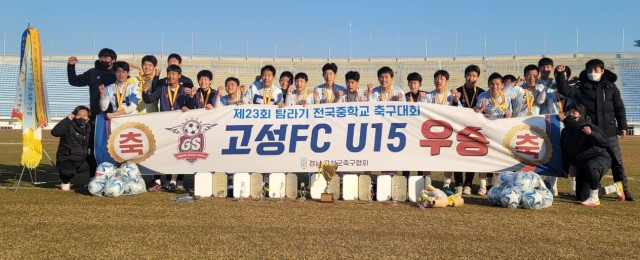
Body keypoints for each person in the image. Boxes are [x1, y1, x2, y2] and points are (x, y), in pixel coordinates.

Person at [555, 59, 634, 201]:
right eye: (590, 71)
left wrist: (622, 126)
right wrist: (561, 75)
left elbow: (619, 107)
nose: (593, 73)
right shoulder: (581, 88)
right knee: (587, 161)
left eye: (596, 70)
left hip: (609, 132)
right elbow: (564, 90)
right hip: (588, 133)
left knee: (617, 162)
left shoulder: (611, 88)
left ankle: (624, 189)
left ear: (602, 71)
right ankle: (590, 189)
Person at [560, 103, 625, 206]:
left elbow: (604, 142)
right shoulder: (565, 132)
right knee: (582, 196)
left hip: (600, 159)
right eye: (568, 113)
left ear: (580, 115)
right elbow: (565, 151)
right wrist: (564, 169)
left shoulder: (589, 126)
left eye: (574, 113)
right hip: (582, 165)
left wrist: (591, 134)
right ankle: (615, 187)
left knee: (590, 165)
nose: (570, 115)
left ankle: (594, 198)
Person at [67, 48, 117, 178]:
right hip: (96, 118)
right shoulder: (92, 73)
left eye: (107, 57)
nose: (103, 59)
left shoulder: (118, 74)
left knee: (114, 147)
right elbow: (74, 81)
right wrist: (71, 67)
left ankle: (115, 175)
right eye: (101, 57)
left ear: (113, 60)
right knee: (94, 148)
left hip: (116, 118)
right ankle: (93, 177)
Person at [142, 64, 192, 192]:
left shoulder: (185, 90)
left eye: (174, 74)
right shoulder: (162, 88)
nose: (171, 76)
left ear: (179, 76)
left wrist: (189, 100)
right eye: (169, 73)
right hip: (163, 125)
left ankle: (173, 181)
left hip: (179, 126)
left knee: (177, 152)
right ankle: (157, 181)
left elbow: (191, 106)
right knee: (158, 151)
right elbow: (149, 100)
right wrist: (145, 91)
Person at [474, 73, 513, 195]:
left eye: (497, 84)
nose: (494, 86)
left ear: (502, 85)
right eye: (492, 84)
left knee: (498, 159)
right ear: (488, 85)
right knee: (483, 158)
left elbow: (510, 115)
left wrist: (508, 115)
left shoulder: (506, 97)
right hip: (486, 132)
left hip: (500, 133)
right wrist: (480, 110)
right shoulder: (483, 96)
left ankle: (497, 186)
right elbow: (477, 114)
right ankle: (483, 186)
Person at [420, 70, 459, 190]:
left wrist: (457, 101)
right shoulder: (428, 96)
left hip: (447, 131)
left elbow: (462, 112)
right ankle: (427, 182)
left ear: (447, 81)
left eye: (441, 79)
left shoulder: (452, 96)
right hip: (430, 131)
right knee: (427, 156)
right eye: (436, 78)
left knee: (447, 158)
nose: (439, 81)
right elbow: (421, 109)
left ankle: (446, 183)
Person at [454, 65, 486, 195]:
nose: (470, 78)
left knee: (471, 155)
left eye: (473, 76)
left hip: (474, 129)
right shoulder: (457, 91)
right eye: (468, 75)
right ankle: (458, 183)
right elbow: (450, 110)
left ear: (477, 77)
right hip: (459, 128)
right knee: (457, 155)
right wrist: (456, 100)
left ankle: (468, 183)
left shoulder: (482, 92)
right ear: (465, 76)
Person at [51, 106, 92, 191]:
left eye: (84, 115)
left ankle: (93, 181)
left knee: (97, 160)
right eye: (79, 115)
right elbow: (55, 132)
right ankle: (65, 181)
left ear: (88, 118)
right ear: (74, 116)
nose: (81, 117)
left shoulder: (89, 128)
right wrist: (67, 119)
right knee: (68, 171)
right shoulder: (68, 125)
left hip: (81, 159)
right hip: (66, 158)